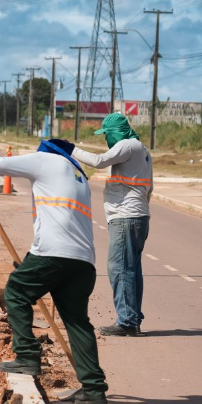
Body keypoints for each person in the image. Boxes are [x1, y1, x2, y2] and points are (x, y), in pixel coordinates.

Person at [0, 138, 110, 404]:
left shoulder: (48, 160)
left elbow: (0, 164)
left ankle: (27, 356)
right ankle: (93, 389)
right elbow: (60, 220)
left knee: (16, 291)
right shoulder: (79, 175)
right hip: (83, 261)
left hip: (54, 253)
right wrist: (29, 265)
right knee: (78, 323)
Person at [71, 112, 154, 336]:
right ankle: (132, 318)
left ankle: (127, 321)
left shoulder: (127, 145)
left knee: (119, 268)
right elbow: (150, 188)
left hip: (126, 217)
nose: (106, 138)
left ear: (116, 131)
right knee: (132, 269)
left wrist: (71, 149)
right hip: (136, 216)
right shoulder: (143, 150)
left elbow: (98, 161)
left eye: (107, 134)